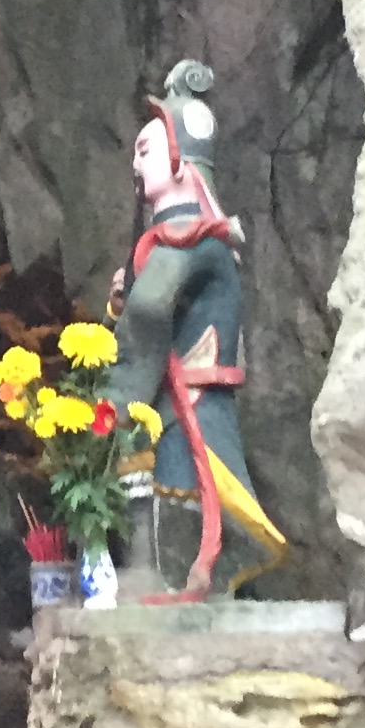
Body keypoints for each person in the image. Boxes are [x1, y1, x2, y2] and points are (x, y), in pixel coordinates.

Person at [105, 63, 286, 597]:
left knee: (181, 490)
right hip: (169, 397)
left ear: (181, 161)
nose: (134, 164)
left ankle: (181, 584)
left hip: (192, 402)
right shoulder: (170, 241)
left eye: (145, 150)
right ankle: (160, 579)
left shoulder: (189, 239)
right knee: (154, 486)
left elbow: (149, 316)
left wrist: (110, 399)